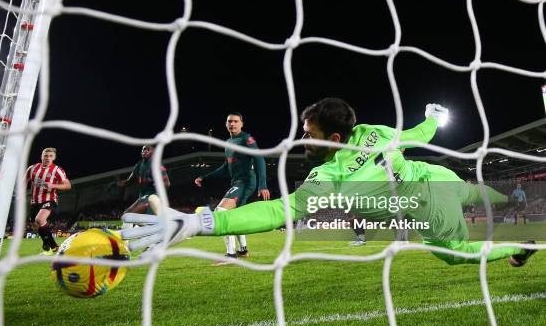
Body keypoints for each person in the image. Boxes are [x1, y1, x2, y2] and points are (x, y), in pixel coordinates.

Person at [121, 98, 537, 268]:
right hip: (436, 178)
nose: (303, 139)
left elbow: (279, 210)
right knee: (466, 210)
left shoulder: (330, 174)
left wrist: (201, 223)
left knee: (458, 255)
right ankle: (509, 217)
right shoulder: (373, 132)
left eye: (309, 133)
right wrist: (433, 115)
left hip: (430, 204)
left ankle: (520, 243)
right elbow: (419, 134)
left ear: (335, 139)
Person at [194, 112, 270, 264]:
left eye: (236, 121)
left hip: (246, 182)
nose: (232, 124)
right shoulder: (228, 142)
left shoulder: (246, 138)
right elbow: (225, 167)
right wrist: (205, 177)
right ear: (226, 124)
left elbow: (259, 158)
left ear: (241, 123)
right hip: (237, 183)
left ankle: (231, 255)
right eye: (230, 121)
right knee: (234, 217)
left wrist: (263, 185)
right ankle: (243, 250)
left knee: (221, 213)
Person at [25, 148, 71, 255]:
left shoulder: (57, 170)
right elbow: (24, 180)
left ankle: (46, 247)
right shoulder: (32, 168)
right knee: (36, 225)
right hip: (34, 201)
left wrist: (52, 185)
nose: (48, 158)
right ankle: (54, 247)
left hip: (49, 199)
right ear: (42, 156)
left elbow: (68, 185)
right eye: (46, 155)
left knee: (40, 219)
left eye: (51, 156)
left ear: (54, 158)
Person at [118, 145, 170, 224]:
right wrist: (121, 183)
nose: (145, 151)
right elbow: (130, 180)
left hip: (153, 198)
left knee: (128, 217)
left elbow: (167, 183)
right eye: (143, 149)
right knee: (125, 217)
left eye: (148, 150)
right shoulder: (138, 165)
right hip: (143, 197)